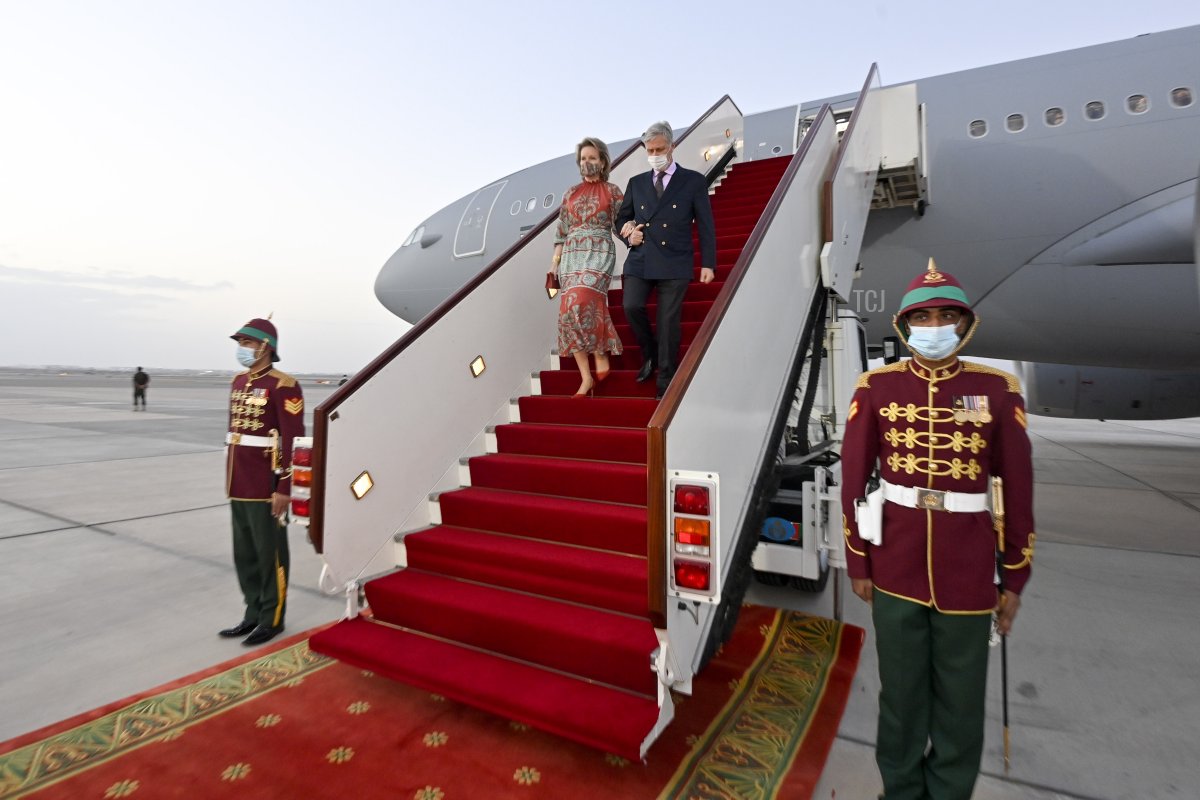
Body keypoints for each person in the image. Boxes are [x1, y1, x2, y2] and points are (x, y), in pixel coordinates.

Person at [840, 260, 1035, 799]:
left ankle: (947, 793)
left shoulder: (997, 390)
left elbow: (1017, 489)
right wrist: (858, 561)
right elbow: (853, 478)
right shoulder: (877, 386)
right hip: (896, 564)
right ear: (904, 326)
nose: (934, 327)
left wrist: (1014, 577)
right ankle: (900, 791)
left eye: (946, 315)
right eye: (922, 317)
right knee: (900, 699)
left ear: (965, 324)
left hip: (968, 571)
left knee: (960, 701)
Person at [615, 121, 716, 400]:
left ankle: (665, 383)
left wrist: (708, 263)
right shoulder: (636, 183)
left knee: (668, 321)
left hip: (675, 260)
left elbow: (706, 223)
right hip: (641, 257)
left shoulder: (693, 180)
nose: (655, 154)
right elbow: (621, 218)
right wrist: (627, 234)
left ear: (672, 147)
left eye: (660, 148)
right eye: (650, 150)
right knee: (631, 306)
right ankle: (650, 355)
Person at [219, 318, 305, 646]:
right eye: (241, 343)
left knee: (270, 554)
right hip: (237, 482)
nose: (242, 349)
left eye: (248, 343)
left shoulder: (283, 385)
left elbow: (293, 439)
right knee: (245, 555)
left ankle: (272, 617)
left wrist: (284, 487)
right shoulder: (238, 381)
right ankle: (252, 612)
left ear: (265, 347)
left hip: (265, 484)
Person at [547, 137, 625, 396]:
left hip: (599, 250)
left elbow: (621, 224)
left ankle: (600, 351)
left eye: (592, 158)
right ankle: (585, 377)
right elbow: (561, 233)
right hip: (571, 254)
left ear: (602, 161)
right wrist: (553, 266)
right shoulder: (570, 193)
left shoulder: (612, 191)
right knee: (568, 311)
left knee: (583, 300)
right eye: (583, 159)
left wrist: (635, 235)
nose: (587, 162)